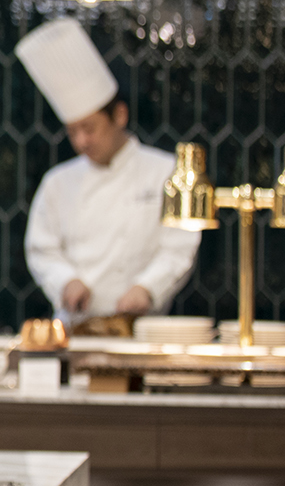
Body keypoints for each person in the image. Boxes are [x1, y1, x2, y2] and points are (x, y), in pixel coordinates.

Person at [18, 18, 200, 325]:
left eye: (89, 128)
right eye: (72, 132)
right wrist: (65, 281)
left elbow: (179, 247)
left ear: (119, 115)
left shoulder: (166, 172)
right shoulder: (58, 182)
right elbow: (42, 249)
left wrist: (147, 288)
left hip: (140, 329)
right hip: (74, 329)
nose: (81, 141)